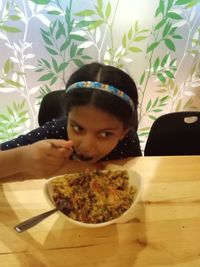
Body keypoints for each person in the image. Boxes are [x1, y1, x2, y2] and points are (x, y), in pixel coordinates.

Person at [0, 62, 141, 176]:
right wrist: (22, 158)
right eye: (78, 128)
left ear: (123, 131)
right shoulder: (57, 130)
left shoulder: (129, 142)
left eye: (105, 134)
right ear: (68, 115)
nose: (86, 146)